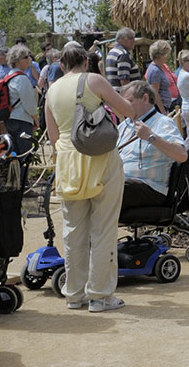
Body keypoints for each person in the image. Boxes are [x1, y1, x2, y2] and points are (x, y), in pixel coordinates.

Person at [44, 44, 135, 313]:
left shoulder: (52, 89)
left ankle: (74, 294)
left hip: (67, 162)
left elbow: (52, 136)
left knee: (73, 232)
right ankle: (100, 295)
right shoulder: (94, 80)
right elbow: (129, 110)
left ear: (61, 64)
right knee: (103, 228)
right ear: (86, 61)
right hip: (99, 160)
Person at [116, 81, 188, 214]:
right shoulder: (124, 125)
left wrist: (151, 137)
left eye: (129, 101)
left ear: (145, 98)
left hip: (151, 189)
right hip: (124, 184)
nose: (124, 106)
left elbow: (182, 155)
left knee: (111, 188)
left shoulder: (163, 123)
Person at [4, 43, 38, 149]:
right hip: (22, 121)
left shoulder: (8, 76)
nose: (29, 59)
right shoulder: (22, 79)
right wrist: (36, 120)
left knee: (13, 154)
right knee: (24, 155)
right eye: (26, 57)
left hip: (9, 119)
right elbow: (29, 105)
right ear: (18, 61)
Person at [145, 40, 176, 113]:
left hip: (165, 106)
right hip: (159, 109)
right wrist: (163, 112)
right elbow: (155, 93)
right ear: (161, 55)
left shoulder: (158, 68)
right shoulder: (155, 70)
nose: (167, 57)